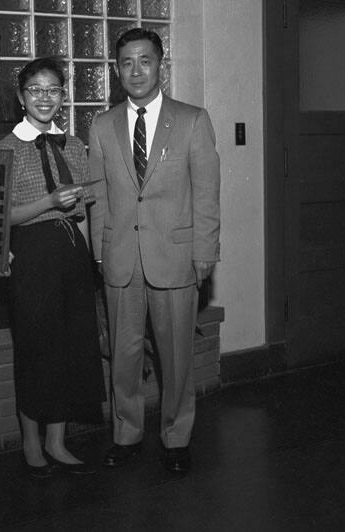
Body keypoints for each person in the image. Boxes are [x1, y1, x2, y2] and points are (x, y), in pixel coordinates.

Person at [88, 28, 220, 475]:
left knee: (176, 355)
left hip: (176, 257)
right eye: (126, 62)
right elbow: (98, 195)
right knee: (123, 357)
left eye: (145, 61)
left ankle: (176, 437)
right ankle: (126, 434)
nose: (136, 71)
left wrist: (205, 252)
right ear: (116, 69)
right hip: (121, 258)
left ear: (161, 65)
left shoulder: (192, 120)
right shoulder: (103, 126)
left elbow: (206, 195)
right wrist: (100, 253)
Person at [0, 57, 105, 478]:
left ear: (63, 96)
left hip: (72, 256)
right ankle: (30, 442)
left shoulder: (74, 145)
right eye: (36, 90)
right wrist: (48, 203)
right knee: (36, 348)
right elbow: (0, 216)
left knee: (69, 348)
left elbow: (81, 211)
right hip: (31, 257)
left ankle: (58, 441)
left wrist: (92, 257)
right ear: (22, 97)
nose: (45, 97)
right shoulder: (6, 148)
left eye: (53, 90)